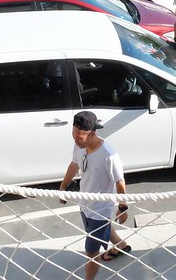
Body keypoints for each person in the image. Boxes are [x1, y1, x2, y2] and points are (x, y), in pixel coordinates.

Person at [60, 111, 131, 280]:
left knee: (91, 251)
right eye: (73, 134)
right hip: (84, 204)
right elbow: (74, 164)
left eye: (80, 136)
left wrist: (123, 207)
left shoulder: (108, 154)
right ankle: (121, 245)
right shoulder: (79, 146)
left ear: (92, 133)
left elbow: (120, 182)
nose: (76, 139)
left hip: (101, 208)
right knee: (97, 230)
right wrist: (62, 187)